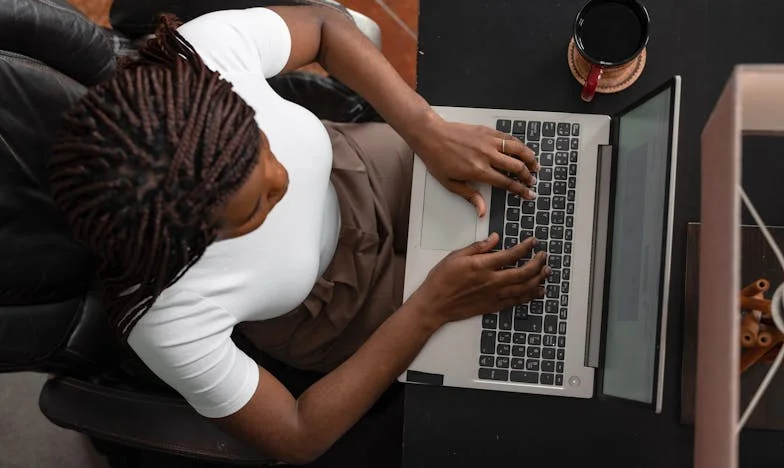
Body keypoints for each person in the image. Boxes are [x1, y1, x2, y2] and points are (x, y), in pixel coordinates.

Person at [48, 3, 550, 464]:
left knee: (548, 195)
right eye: (257, 208)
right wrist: (429, 308)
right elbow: (296, 434)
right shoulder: (165, 317)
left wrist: (424, 128)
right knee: (529, 326)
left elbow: (327, 24)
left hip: (356, 168)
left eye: (263, 148)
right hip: (335, 310)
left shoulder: (204, 55)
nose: (283, 179)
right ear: (191, 244)